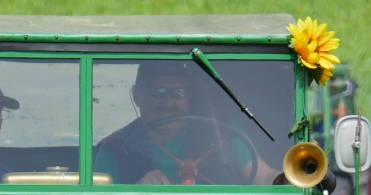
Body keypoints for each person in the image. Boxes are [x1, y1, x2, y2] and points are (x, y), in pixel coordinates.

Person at [93, 61, 275, 185]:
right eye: (158, 92)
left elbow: (263, 176)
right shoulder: (114, 150)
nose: (169, 102)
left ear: (189, 97)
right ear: (137, 95)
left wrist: (285, 179)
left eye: (179, 92)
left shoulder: (224, 134)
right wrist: (136, 191)